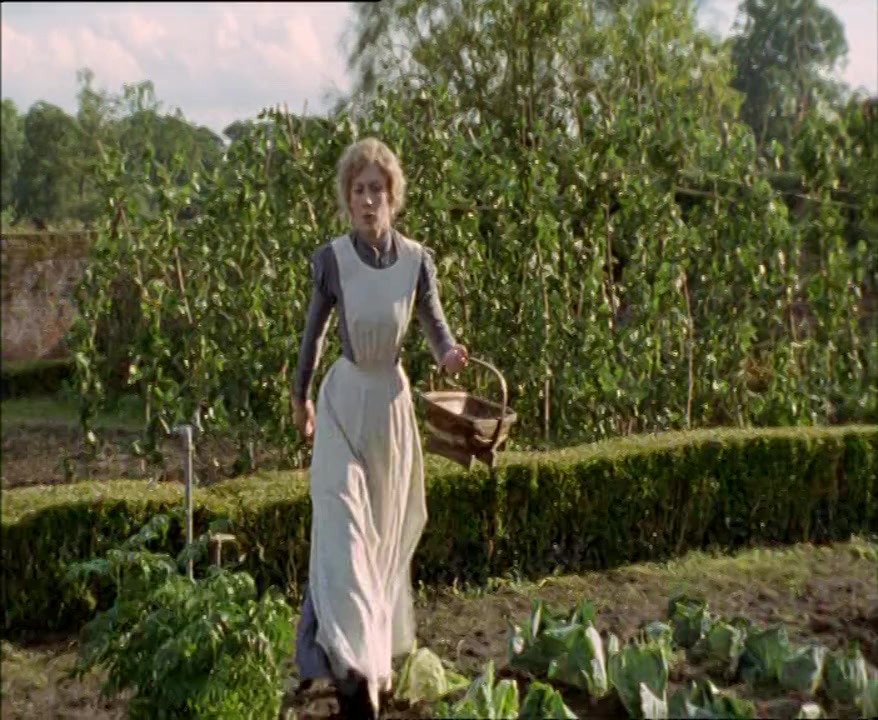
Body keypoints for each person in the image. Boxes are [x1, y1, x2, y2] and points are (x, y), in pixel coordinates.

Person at [291, 137, 468, 718]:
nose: (368, 201)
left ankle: (372, 660)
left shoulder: (416, 261)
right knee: (344, 536)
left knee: (383, 543)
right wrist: (301, 397)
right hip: (343, 402)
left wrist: (449, 356)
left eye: (377, 190)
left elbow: (435, 326)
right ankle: (351, 673)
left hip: (390, 408)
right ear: (347, 199)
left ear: (393, 197)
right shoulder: (332, 260)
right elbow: (314, 335)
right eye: (358, 190)